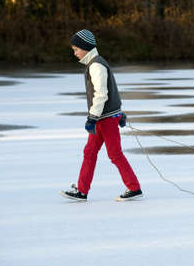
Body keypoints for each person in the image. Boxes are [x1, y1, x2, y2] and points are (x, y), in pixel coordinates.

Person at [60, 29, 142, 202]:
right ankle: (82, 190)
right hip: (104, 118)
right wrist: (118, 112)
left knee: (114, 154)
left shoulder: (96, 65)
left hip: (104, 119)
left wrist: (93, 117)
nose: (74, 53)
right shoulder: (95, 63)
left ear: (85, 47)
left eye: (76, 49)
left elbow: (102, 94)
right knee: (89, 152)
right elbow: (111, 92)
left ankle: (134, 188)